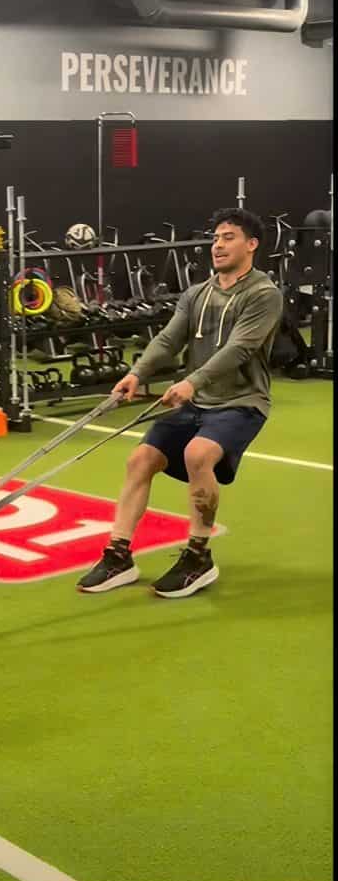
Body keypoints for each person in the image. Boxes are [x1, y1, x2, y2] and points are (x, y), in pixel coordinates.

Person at [77, 207, 282, 598]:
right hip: (196, 400)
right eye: (216, 237)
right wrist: (137, 374)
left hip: (241, 402)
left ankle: (198, 556)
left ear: (251, 245)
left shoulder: (263, 295)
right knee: (140, 460)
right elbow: (169, 340)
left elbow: (240, 348)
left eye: (229, 237)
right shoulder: (197, 293)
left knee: (197, 454)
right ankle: (118, 555)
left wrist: (192, 381)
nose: (218, 245)